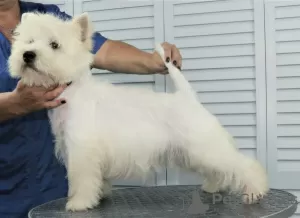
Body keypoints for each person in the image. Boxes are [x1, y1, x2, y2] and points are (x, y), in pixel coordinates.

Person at [0, 0, 183, 217]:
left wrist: (152, 61)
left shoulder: (44, 14)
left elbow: (101, 50)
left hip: (54, 183)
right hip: (7, 186)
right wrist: (12, 104)